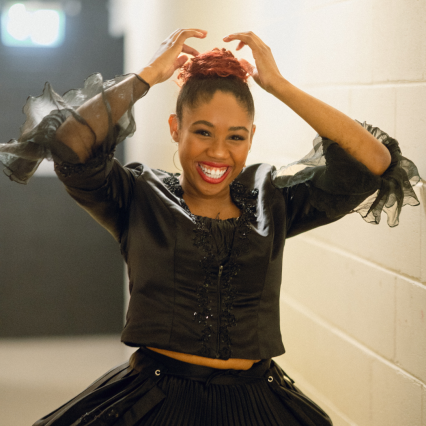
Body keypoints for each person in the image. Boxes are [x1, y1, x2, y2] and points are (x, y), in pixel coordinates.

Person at [0, 29, 421, 426]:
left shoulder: (272, 199)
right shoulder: (137, 196)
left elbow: (374, 163)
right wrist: (148, 75)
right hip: (157, 402)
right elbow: (70, 144)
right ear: (175, 129)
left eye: (236, 137)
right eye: (203, 132)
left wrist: (279, 86)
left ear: (251, 137)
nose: (218, 152)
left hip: (259, 402)